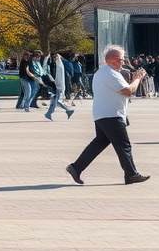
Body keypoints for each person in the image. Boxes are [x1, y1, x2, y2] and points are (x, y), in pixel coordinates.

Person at [66, 45, 148, 186]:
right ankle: (131, 174)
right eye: (121, 59)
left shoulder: (105, 72)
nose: (123, 62)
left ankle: (76, 167)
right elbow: (128, 91)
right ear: (112, 59)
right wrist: (137, 79)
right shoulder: (110, 73)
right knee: (123, 145)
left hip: (104, 114)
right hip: (112, 115)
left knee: (100, 142)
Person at [44, 53, 74, 121]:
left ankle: (48, 113)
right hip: (57, 85)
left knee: (55, 100)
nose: (55, 59)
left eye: (56, 57)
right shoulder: (58, 64)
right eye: (54, 57)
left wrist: (59, 85)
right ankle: (67, 110)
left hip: (59, 85)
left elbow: (60, 77)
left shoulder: (59, 65)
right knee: (56, 100)